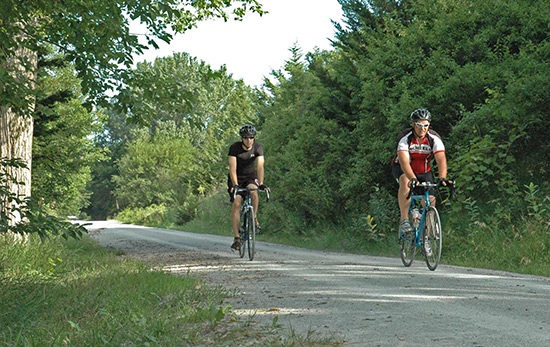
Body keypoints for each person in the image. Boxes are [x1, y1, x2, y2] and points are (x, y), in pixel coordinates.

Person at [392, 108, 452, 241]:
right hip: (403, 169)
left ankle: (426, 237)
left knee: (430, 201)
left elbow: (441, 159)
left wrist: (443, 177)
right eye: (419, 125)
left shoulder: (434, 138)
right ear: (413, 124)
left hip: (424, 172)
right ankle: (404, 220)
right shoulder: (405, 138)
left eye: (426, 125)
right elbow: (404, 162)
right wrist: (413, 178)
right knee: (405, 181)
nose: (422, 129)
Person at [227, 124, 268, 251]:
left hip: (250, 177)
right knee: (237, 203)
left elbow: (260, 166)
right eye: (245, 138)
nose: (248, 140)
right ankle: (237, 237)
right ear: (242, 139)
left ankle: (254, 217)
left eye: (251, 137)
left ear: (254, 138)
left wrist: (261, 183)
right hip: (236, 178)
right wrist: (235, 185)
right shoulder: (234, 148)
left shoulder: (258, 148)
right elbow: (232, 169)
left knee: (254, 192)